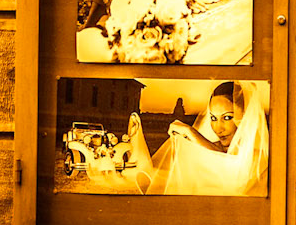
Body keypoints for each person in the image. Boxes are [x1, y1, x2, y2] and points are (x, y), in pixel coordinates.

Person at [104, 81, 268, 197]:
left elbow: (228, 165)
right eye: (213, 118)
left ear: (246, 117)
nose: (218, 128)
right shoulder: (213, 146)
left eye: (227, 117)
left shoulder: (258, 156)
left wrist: (190, 132)